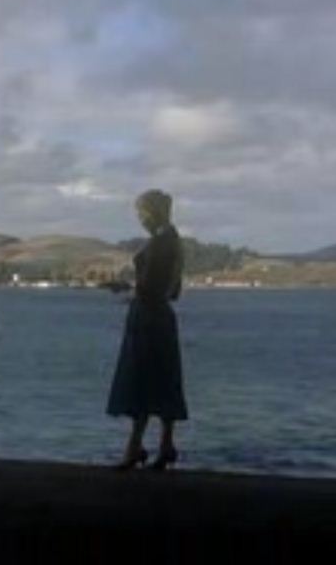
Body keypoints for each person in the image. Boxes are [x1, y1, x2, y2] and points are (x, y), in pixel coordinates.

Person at [106, 188, 188, 471]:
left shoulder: (161, 243)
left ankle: (135, 447)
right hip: (161, 316)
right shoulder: (173, 241)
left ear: (152, 213)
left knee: (140, 380)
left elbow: (149, 288)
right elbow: (172, 291)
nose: (139, 219)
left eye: (141, 213)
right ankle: (165, 445)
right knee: (164, 380)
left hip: (147, 318)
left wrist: (124, 289)